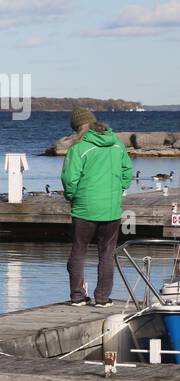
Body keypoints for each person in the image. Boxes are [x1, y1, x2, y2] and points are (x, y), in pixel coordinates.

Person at [61, 108, 133, 307]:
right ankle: (102, 298)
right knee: (107, 254)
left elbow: (69, 179)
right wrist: (120, 189)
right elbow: (127, 171)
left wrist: (71, 196)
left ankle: (77, 296)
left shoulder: (79, 148)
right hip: (111, 209)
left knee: (78, 251)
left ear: (78, 128)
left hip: (84, 209)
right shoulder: (118, 145)